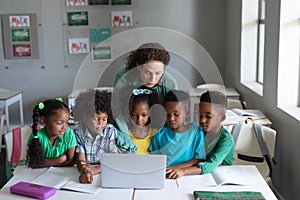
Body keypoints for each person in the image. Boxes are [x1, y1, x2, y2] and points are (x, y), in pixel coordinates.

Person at [113, 42, 178, 153]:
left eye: (158, 73)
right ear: (138, 66)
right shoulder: (123, 78)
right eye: (147, 72)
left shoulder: (170, 83)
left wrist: (163, 142)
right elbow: (118, 114)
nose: (152, 79)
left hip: (158, 128)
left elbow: (174, 115)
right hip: (129, 128)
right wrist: (128, 145)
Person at [149, 90, 206, 179]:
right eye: (167, 114)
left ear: (186, 113)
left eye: (176, 114)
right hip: (165, 175)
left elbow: (199, 159)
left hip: (189, 175)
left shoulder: (196, 132)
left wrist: (176, 168)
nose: (171, 118)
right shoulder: (159, 134)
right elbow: (155, 159)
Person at [72, 89, 118, 184]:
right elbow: (80, 159)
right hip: (87, 172)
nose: (100, 123)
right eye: (96, 118)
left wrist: (96, 169)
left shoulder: (110, 131)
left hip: (105, 172)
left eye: (104, 119)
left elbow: (114, 159)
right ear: (84, 117)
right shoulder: (78, 132)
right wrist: (85, 170)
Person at [26, 98, 76, 168]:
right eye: (59, 123)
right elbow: (33, 163)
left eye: (67, 122)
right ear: (43, 121)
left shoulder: (69, 134)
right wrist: (59, 160)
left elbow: (71, 161)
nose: (65, 127)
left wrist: (45, 163)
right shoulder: (37, 137)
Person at [197, 90, 235, 174]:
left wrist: (183, 170)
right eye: (200, 115)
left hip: (223, 176)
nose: (202, 120)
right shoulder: (199, 132)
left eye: (208, 116)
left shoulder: (226, 140)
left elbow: (211, 165)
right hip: (200, 174)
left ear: (222, 118)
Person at [127, 88, 160, 154]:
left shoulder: (155, 133)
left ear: (150, 113)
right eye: (134, 115)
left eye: (144, 115)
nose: (139, 119)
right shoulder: (125, 134)